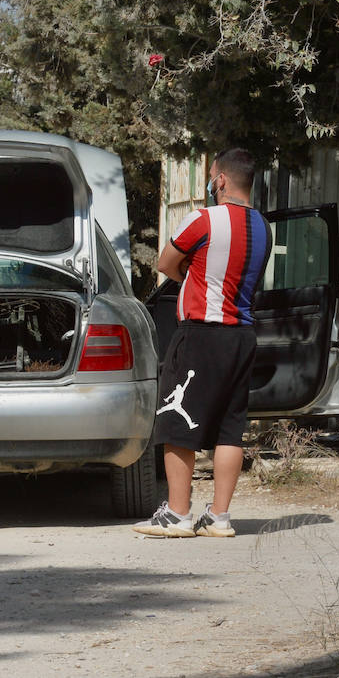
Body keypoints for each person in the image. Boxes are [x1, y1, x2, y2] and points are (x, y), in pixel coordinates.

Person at [133, 148, 271, 539]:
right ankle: (220, 517)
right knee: (231, 428)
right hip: (242, 337)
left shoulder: (203, 219)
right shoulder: (263, 226)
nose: (211, 183)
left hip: (201, 335)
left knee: (177, 422)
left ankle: (177, 514)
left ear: (222, 179)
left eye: (212, 176)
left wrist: (190, 278)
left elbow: (165, 263)